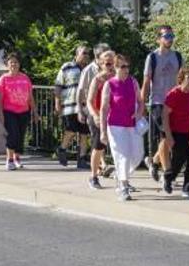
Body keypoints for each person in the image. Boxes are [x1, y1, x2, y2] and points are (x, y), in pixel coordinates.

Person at [100, 54, 145, 201]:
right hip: (115, 126)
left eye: (127, 66)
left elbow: (140, 101)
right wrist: (102, 131)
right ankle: (123, 186)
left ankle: (120, 175)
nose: (126, 69)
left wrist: (139, 113)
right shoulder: (110, 84)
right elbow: (104, 108)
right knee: (123, 156)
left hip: (132, 125)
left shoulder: (133, 82)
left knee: (138, 154)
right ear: (115, 67)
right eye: (122, 66)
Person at [141, 25, 184, 181]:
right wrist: (142, 104)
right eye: (166, 36)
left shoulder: (178, 56)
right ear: (158, 39)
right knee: (166, 135)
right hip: (158, 101)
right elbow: (146, 82)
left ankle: (154, 161)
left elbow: (182, 80)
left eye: (172, 36)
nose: (170, 39)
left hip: (174, 102)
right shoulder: (152, 57)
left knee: (169, 137)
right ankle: (168, 173)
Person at [162, 67, 189, 198]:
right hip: (176, 132)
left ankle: (188, 189)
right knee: (178, 160)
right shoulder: (173, 94)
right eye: (188, 77)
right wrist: (168, 136)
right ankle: (168, 177)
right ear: (182, 78)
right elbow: (165, 115)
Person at [0, 53, 37, 170]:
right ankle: (9, 160)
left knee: (20, 136)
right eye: (11, 62)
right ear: (7, 65)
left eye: (16, 62)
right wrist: (0, 114)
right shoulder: (4, 78)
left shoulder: (25, 78)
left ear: (19, 64)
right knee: (12, 135)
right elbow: (0, 99)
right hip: (9, 111)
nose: (14, 64)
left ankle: (17, 158)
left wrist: (34, 111)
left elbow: (30, 96)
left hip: (24, 111)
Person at [54, 46, 92, 169]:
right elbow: (58, 85)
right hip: (70, 105)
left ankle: (81, 159)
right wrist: (57, 102)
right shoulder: (67, 67)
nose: (86, 55)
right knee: (70, 130)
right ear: (76, 54)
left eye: (87, 53)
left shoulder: (90, 69)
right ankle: (62, 149)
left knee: (84, 133)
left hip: (85, 106)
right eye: (83, 53)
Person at [86, 50, 116, 189]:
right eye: (106, 63)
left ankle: (123, 180)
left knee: (118, 148)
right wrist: (95, 116)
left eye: (111, 62)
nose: (109, 65)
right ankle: (93, 176)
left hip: (115, 117)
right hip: (98, 117)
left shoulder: (117, 78)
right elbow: (89, 101)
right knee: (98, 147)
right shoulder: (97, 80)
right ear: (100, 63)